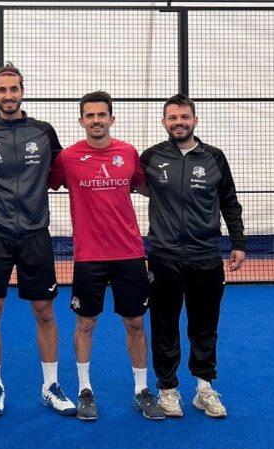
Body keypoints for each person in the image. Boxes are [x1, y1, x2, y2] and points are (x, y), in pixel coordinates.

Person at [0, 63, 75, 417]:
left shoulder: (43, 132)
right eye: (1, 90)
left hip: (35, 234)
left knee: (44, 310)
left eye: (13, 89)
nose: (7, 96)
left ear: (22, 91)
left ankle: (50, 385)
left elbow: (60, 171)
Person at [49, 91, 165, 422]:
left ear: (112, 119)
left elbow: (149, 188)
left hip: (129, 253)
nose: (97, 120)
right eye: (90, 115)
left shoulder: (128, 153)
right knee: (85, 323)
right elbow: (36, 183)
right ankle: (85, 390)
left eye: (103, 115)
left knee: (135, 322)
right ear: (81, 120)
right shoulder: (68, 158)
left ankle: (141, 390)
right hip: (89, 257)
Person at [141, 94, 245, 418]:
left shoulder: (215, 158)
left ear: (195, 120)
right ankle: (168, 390)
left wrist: (238, 242)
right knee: (164, 324)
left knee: (204, 325)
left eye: (184, 117)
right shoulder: (151, 158)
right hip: (163, 257)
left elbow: (229, 201)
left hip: (206, 258)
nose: (179, 123)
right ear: (164, 122)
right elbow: (116, 185)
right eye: (172, 118)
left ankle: (204, 388)